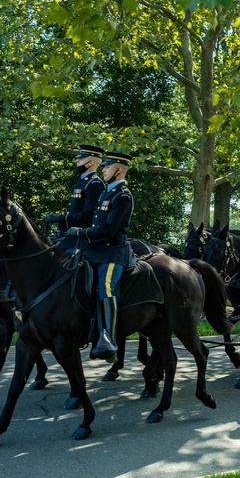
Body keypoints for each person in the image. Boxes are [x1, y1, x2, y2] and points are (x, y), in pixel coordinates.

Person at [66, 151, 136, 361]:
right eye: (103, 166)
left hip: (113, 253)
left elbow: (108, 230)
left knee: (106, 287)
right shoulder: (107, 192)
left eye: (107, 167)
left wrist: (79, 232)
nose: (103, 170)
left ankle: (108, 339)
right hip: (95, 250)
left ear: (119, 170)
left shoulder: (123, 196)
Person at [42, 144, 106, 253]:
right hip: (68, 237)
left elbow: (88, 216)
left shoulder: (94, 184)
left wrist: (59, 218)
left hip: (80, 239)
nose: (77, 160)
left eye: (81, 158)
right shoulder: (83, 181)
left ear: (90, 163)